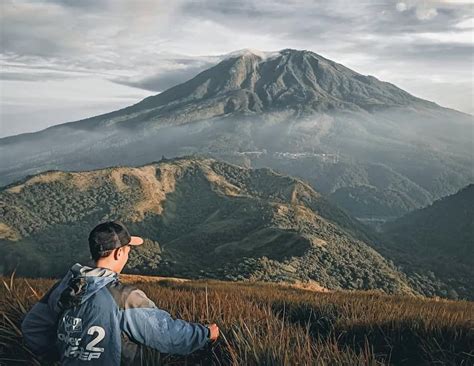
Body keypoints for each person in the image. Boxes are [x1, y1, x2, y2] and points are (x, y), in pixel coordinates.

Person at [21, 221, 219, 365]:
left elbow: (32, 327)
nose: (128, 253)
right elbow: (166, 334)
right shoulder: (124, 297)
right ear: (118, 253)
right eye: (128, 249)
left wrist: (56, 356)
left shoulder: (64, 286)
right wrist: (206, 333)